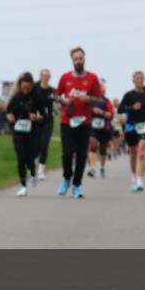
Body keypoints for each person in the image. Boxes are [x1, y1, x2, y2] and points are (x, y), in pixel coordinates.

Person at [55, 47, 103, 198]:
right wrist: (62, 101)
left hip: (84, 122)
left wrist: (88, 99)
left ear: (84, 58)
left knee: (82, 155)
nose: (78, 61)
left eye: (80, 58)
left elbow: (99, 99)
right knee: (67, 153)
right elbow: (56, 97)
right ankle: (66, 178)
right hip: (67, 121)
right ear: (72, 60)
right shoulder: (65, 78)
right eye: (75, 59)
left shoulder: (93, 78)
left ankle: (76, 186)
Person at [6, 72, 44, 196]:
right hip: (18, 131)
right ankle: (23, 185)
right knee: (21, 157)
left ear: (32, 85)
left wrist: (37, 117)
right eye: (23, 88)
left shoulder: (38, 97)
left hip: (32, 131)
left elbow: (45, 115)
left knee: (29, 156)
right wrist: (10, 117)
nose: (26, 90)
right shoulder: (16, 97)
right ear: (20, 86)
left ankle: (33, 172)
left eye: (28, 88)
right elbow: (8, 111)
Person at [119, 71, 145, 192]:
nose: (140, 80)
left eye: (141, 78)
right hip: (131, 127)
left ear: (144, 80)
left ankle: (140, 180)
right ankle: (133, 176)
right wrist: (132, 108)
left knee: (141, 152)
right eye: (137, 78)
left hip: (144, 125)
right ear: (133, 80)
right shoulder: (129, 95)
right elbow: (120, 109)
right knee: (133, 154)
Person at [86, 80, 114, 179]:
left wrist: (101, 112)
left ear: (103, 89)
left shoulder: (107, 101)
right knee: (92, 145)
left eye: (100, 86)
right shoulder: (90, 100)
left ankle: (102, 167)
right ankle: (93, 168)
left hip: (105, 128)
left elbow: (111, 115)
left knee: (103, 150)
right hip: (93, 127)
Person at [34, 69, 56, 181]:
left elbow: (57, 103)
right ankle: (34, 159)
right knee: (36, 144)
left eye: (47, 75)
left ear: (50, 77)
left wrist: (57, 108)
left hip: (48, 120)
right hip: (35, 120)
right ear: (40, 76)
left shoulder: (52, 91)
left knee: (44, 143)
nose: (45, 77)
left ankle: (41, 170)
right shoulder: (34, 88)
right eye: (43, 75)